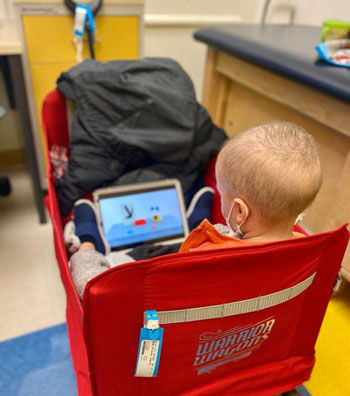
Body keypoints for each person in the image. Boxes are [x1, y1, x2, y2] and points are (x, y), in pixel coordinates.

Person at [69, 121, 322, 299]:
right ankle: (194, 223)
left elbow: (94, 292)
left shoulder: (201, 258)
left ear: (239, 213)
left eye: (222, 194)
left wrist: (86, 252)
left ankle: (91, 242)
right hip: (245, 342)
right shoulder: (310, 256)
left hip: (182, 336)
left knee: (107, 266)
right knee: (212, 231)